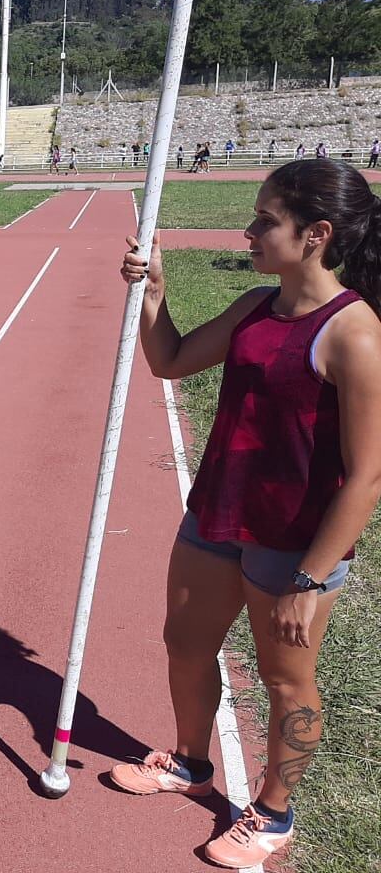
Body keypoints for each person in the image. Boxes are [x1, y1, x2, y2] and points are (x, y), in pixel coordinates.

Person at [114, 158, 381, 869]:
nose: (250, 230)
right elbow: (169, 360)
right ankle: (190, 762)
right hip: (217, 514)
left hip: (292, 544)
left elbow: (367, 475)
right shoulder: (255, 308)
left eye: (267, 220)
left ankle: (272, 812)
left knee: (287, 679)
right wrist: (154, 294)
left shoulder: (354, 333)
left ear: (317, 234)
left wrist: (310, 577)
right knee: (184, 645)